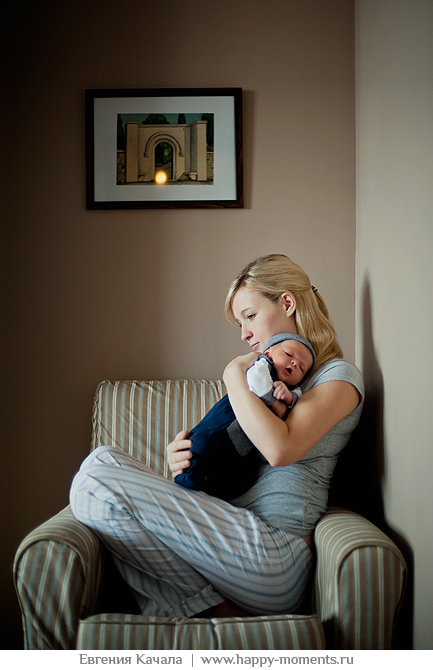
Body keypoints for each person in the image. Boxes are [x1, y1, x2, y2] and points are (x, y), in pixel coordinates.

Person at [70, 254, 364, 619]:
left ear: (287, 303)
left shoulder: (337, 376)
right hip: (231, 538)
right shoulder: (264, 387)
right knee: (103, 460)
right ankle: (209, 608)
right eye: (241, 323)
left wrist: (232, 373)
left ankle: (192, 607)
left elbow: (279, 448)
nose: (244, 334)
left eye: (250, 316)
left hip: (275, 552)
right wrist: (184, 457)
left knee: (95, 481)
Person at [174, 333, 316, 500]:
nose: (294, 363)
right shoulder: (263, 365)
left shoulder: (293, 389)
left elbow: (297, 402)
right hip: (224, 425)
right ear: (269, 352)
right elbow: (256, 382)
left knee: (246, 478)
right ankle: (188, 480)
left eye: (301, 368)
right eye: (288, 354)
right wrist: (276, 403)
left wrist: (289, 397)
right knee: (202, 444)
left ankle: (211, 493)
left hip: (242, 449)